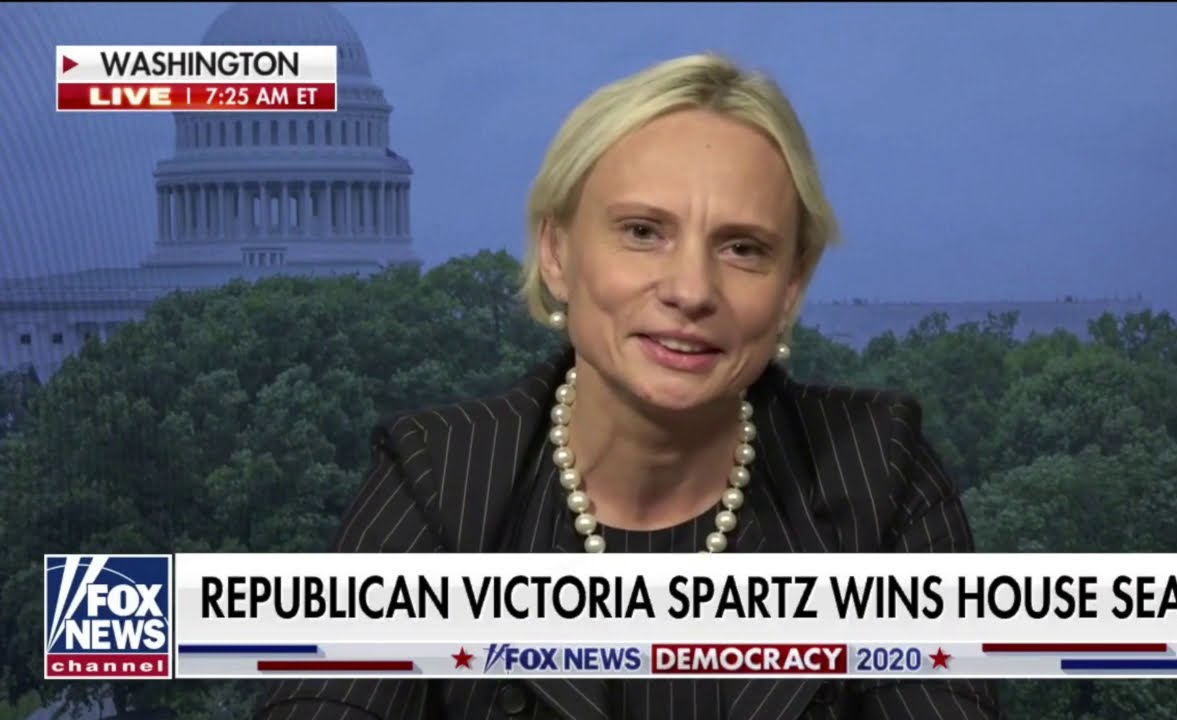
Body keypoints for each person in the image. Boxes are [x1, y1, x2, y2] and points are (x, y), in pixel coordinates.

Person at [257, 52, 1001, 720]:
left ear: (791, 288)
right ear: (557, 253)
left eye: (743, 248)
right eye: (643, 232)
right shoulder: (438, 475)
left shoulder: (880, 472)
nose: (691, 290)